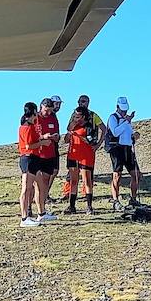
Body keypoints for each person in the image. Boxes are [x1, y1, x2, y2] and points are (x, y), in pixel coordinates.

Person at [17, 98, 61, 226]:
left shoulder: (31, 126)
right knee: (26, 188)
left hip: (34, 158)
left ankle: (41, 214)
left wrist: (44, 138)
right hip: (28, 158)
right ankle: (24, 218)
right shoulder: (27, 127)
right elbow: (27, 146)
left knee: (41, 185)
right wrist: (42, 142)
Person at [60, 95, 104, 199]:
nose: (81, 103)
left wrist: (98, 144)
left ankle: (86, 194)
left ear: (88, 102)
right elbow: (69, 129)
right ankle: (67, 193)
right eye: (79, 101)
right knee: (71, 173)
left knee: (88, 173)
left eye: (83, 101)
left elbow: (104, 129)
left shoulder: (93, 116)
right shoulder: (75, 114)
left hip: (88, 148)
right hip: (75, 149)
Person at [104, 96, 141, 209]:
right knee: (117, 175)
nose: (124, 111)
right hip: (116, 149)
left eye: (125, 109)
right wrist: (127, 121)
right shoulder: (113, 118)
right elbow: (115, 132)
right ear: (117, 107)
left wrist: (134, 135)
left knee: (136, 174)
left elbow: (127, 134)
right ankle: (115, 200)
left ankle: (133, 199)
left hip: (128, 149)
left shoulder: (126, 120)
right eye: (122, 109)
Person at [63, 106, 98, 214]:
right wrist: (70, 131)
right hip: (73, 155)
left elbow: (90, 141)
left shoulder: (89, 126)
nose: (75, 118)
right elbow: (66, 140)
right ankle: (72, 205)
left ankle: (89, 206)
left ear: (83, 117)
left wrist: (78, 135)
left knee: (87, 180)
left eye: (78, 117)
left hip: (86, 156)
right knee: (73, 181)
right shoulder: (73, 125)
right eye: (74, 116)